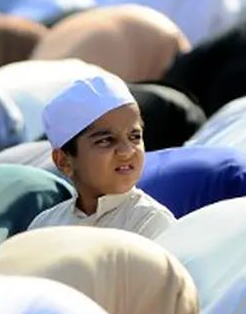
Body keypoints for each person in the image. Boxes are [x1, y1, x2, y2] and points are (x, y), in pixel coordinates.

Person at [28, 73, 175, 239]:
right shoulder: (45, 225)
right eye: (106, 141)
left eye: (134, 137)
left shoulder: (151, 221)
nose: (127, 151)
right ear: (64, 161)